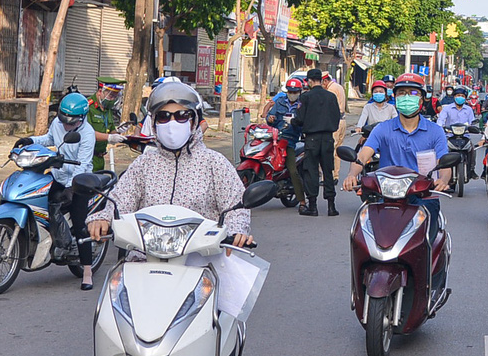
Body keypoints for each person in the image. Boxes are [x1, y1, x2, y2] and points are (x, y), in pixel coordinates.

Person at [90, 79, 254, 251]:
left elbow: (236, 206)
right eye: (163, 116)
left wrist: (236, 232)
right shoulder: (144, 164)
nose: (172, 123)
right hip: (147, 258)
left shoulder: (215, 163)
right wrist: (103, 218)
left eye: (182, 116)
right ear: (154, 122)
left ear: (194, 120)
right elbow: (121, 200)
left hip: (202, 259)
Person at [343, 76, 451, 281]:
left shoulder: (435, 131)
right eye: (401, 93)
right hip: (386, 196)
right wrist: (352, 174)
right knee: (362, 236)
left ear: (422, 99)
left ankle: (429, 286)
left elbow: (445, 163)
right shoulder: (382, 129)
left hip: (423, 197)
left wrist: (443, 180)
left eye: (413, 93)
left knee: (428, 242)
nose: (406, 98)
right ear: (395, 97)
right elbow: (364, 155)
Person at [24, 90, 100, 287]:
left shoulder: (87, 134)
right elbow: (49, 139)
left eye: (71, 121)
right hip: (58, 174)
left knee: (80, 221)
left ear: (81, 118)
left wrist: (71, 189)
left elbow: (83, 164)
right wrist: (30, 141)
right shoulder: (58, 124)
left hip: (80, 182)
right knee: (39, 199)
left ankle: (87, 272)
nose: (66, 125)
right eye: (63, 119)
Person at [294, 65, 342, 217]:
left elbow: (300, 119)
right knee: (328, 171)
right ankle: (331, 207)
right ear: (321, 80)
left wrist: (294, 122)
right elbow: (337, 117)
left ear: (309, 81)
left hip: (312, 139)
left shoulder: (306, 97)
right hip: (328, 138)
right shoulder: (331, 96)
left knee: (311, 171)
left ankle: (313, 206)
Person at [353, 78, 399, 143]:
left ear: (385, 94)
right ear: (372, 94)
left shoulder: (391, 107)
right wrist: (359, 127)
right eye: (375, 92)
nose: (378, 93)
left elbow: (396, 121)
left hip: (387, 137)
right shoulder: (368, 107)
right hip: (371, 136)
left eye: (381, 92)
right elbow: (363, 118)